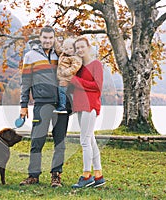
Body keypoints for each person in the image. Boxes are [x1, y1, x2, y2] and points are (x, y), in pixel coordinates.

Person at [19, 25, 71, 187]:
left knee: (60, 142)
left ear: (54, 38)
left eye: (50, 38)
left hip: (62, 105)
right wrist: (23, 105)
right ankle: (33, 175)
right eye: (45, 38)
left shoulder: (61, 55)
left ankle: (56, 175)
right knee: (37, 140)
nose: (48, 41)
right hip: (42, 103)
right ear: (40, 38)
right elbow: (25, 82)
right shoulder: (30, 56)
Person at [70, 36, 106, 188]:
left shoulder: (96, 64)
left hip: (90, 106)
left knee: (84, 141)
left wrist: (74, 80)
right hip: (79, 106)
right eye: (77, 48)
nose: (79, 50)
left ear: (88, 47)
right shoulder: (78, 67)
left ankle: (86, 176)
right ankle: (98, 176)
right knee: (90, 139)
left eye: (81, 47)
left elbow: (97, 86)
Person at [54, 38, 82, 113]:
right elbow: (58, 49)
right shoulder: (63, 55)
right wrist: (55, 40)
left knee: (62, 91)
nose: (69, 50)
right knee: (62, 92)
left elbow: (75, 67)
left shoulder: (76, 58)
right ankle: (68, 105)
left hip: (67, 78)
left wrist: (66, 72)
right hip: (61, 77)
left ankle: (62, 106)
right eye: (66, 49)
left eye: (70, 48)